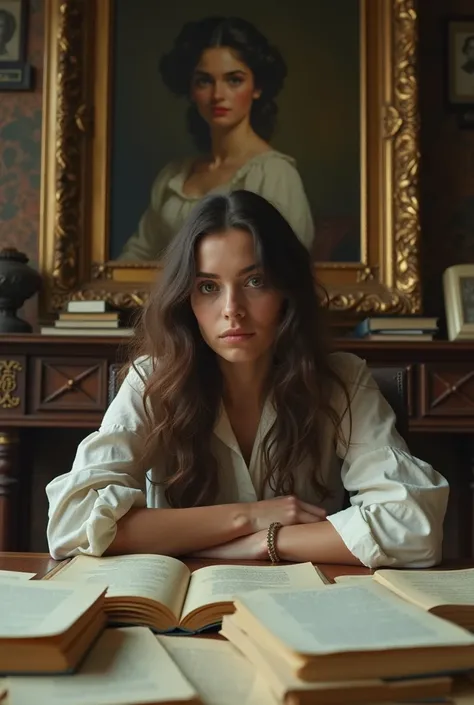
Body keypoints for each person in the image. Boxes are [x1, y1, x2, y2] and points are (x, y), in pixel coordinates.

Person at [46, 191, 448, 567]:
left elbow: (413, 526)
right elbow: (72, 523)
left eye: (255, 281)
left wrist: (263, 543)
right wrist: (248, 517)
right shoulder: (152, 381)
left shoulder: (340, 379)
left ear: (286, 291)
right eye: (208, 287)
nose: (231, 309)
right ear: (186, 301)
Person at [117, 16, 314, 261]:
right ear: (190, 90)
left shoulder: (274, 175)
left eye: (234, 80)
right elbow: (135, 258)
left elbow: (287, 270)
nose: (218, 95)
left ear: (257, 87)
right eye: (205, 81)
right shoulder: (173, 177)